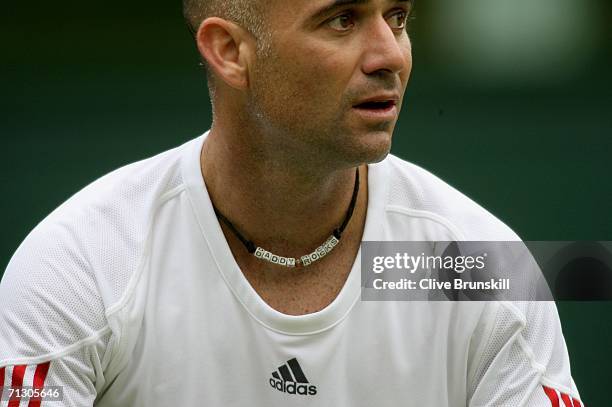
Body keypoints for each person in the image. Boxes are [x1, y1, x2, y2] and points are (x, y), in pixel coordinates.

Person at [0, 0, 583, 405]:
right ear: (229, 50)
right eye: (342, 20)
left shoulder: (479, 266)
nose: (391, 56)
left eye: (397, 18)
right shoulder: (79, 265)